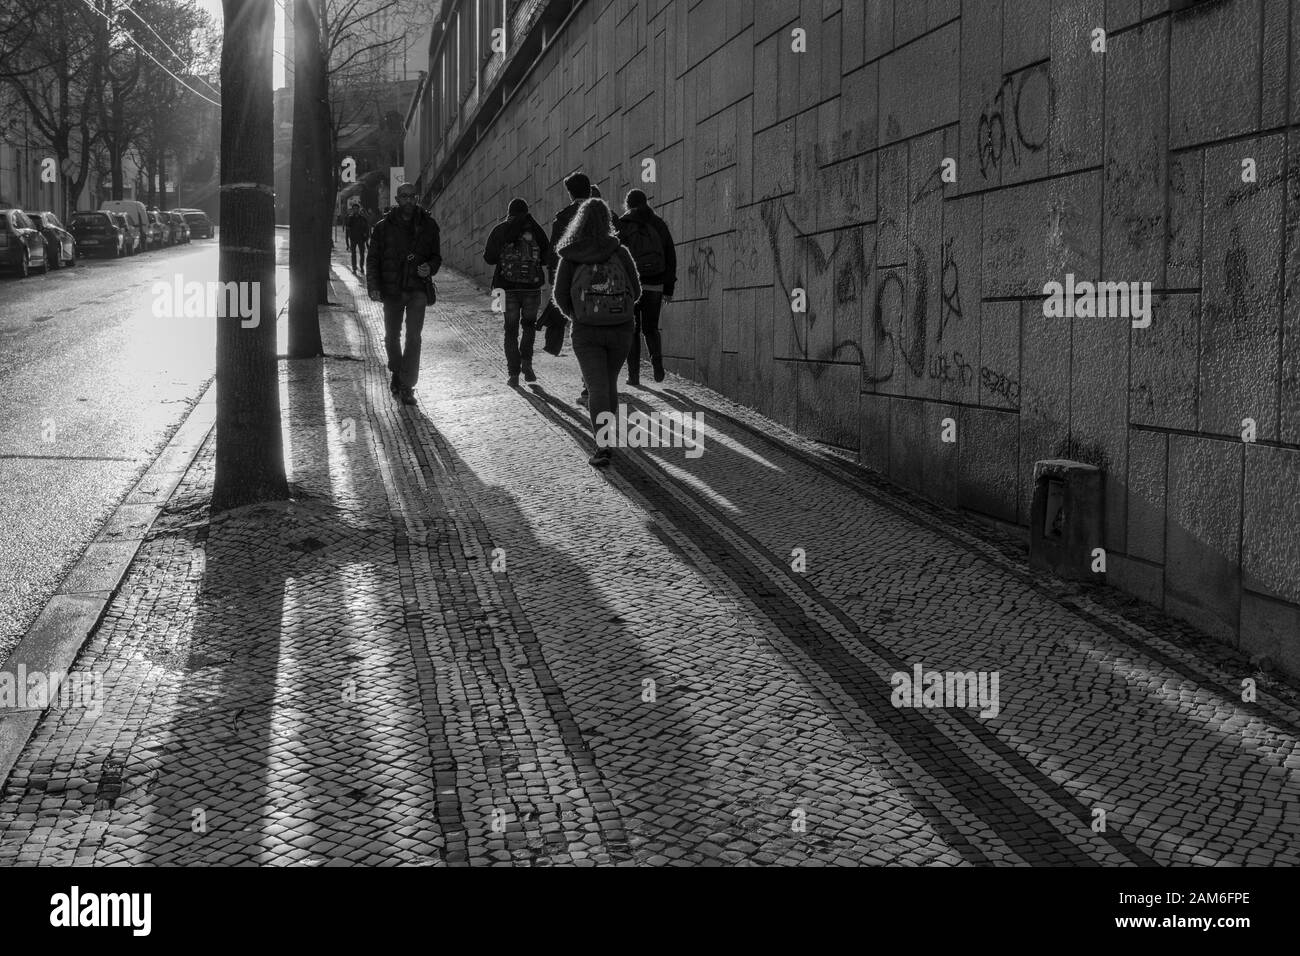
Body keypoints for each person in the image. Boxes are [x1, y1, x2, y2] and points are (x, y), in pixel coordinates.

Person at [552, 198, 642, 468]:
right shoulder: (620, 251)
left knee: (596, 387)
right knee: (610, 383)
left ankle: (602, 446)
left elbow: (559, 295)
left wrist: (579, 316)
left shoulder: (570, 255)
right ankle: (608, 436)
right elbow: (635, 292)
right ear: (607, 221)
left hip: (586, 332)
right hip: (620, 329)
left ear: (578, 221)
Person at [366, 183, 441, 406]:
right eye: (404, 196)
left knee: (414, 337)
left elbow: (437, 257)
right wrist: (373, 286)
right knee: (391, 336)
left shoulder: (429, 225)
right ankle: (397, 371)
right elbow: (373, 259)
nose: (408, 200)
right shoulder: (383, 227)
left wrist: (430, 267)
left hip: (417, 288)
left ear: (416, 198)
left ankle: (408, 385)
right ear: (397, 199)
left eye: (412, 196)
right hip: (392, 289)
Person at [484, 197, 552, 385]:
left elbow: (489, 258)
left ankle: (513, 374)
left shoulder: (500, 230)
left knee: (510, 330)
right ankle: (526, 362)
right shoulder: (535, 230)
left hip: (504, 288)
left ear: (509, 213)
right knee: (529, 326)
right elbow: (546, 257)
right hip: (531, 287)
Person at [615, 189, 676, 384]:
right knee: (651, 328)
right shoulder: (658, 224)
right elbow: (670, 256)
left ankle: (634, 377)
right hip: (656, 285)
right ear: (646, 202)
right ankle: (657, 364)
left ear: (627, 204)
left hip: (631, 286)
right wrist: (668, 289)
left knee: (632, 330)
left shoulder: (623, 225)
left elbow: (616, 256)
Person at [548, 172, 592, 405]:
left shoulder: (564, 218)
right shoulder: (606, 215)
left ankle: (589, 388)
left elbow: (556, 252)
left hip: (578, 286)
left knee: (583, 336)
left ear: (570, 193)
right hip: (606, 286)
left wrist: (555, 281)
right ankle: (597, 384)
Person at [345, 203, 371, 275]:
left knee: (362, 254)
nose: (355, 210)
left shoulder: (363, 218)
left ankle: (361, 266)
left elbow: (367, 228)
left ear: (359, 209)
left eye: (357, 208)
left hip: (361, 239)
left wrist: (366, 238)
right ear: (352, 210)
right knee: (353, 254)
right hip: (353, 238)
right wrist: (347, 241)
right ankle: (354, 268)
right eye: (354, 209)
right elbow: (347, 229)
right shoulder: (350, 218)